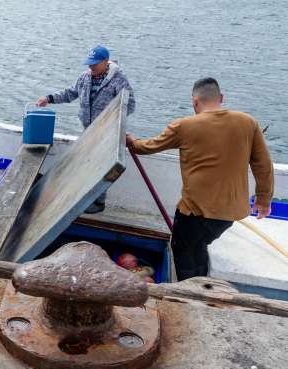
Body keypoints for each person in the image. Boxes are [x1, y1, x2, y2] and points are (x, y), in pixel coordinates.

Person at [126, 77, 274, 281]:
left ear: (195, 102)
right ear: (221, 97)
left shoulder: (184, 126)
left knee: (183, 250)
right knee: (200, 245)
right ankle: (203, 285)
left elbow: (147, 147)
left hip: (194, 212)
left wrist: (132, 141)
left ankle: (189, 295)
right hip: (228, 215)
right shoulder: (248, 122)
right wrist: (263, 200)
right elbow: (263, 165)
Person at [37, 45, 136, 213]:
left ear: (106, 62)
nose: (91, 67)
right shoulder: (85, 77)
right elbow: (71, 93)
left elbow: (130, 105)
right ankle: (87, 199)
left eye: (94, 64)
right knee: (89, 166)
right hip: (88, 131)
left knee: (103, 167)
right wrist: (49, 98)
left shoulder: (119, 80)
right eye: (89, 64)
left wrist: (113, 121)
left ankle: (98, 203)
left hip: (107, 133)